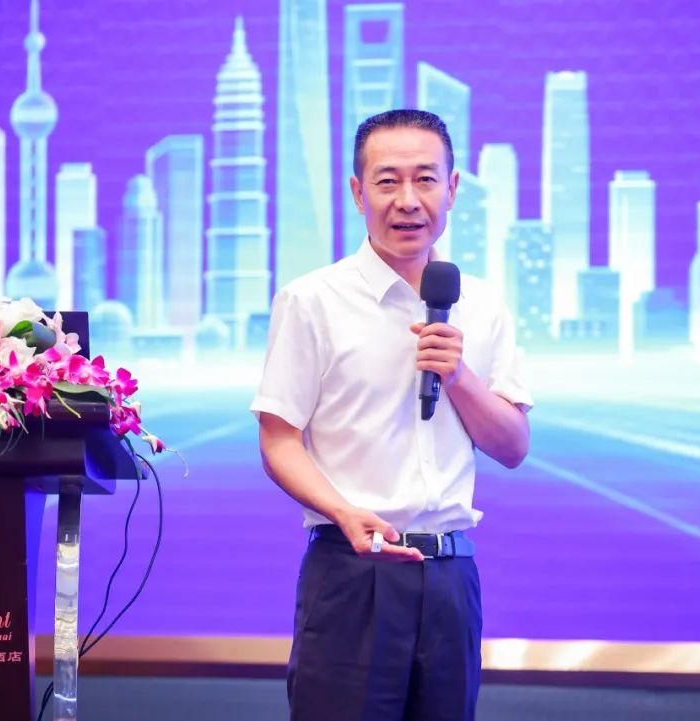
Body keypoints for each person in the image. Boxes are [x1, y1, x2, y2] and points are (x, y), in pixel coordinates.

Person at [251, 108, 532, 721]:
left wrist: (457, 377)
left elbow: (513, 445)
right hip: (353, 570)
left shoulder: (483, 304)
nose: (408, 200)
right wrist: (342, 511)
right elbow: (279, 440)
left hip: (451, 577)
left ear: (451, 189)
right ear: (358, 193)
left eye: (426, 179)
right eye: (387, 181)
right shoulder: (312, 301)